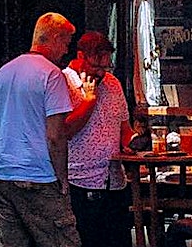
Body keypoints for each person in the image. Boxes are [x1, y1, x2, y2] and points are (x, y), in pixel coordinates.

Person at [0, 12, 79, 247]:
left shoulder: (4, 72)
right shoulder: (52, 75)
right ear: (55, 38)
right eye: (66, 43)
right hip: (38, 175)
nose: (66, 50)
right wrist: (62, 178)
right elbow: (55, 136)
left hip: (1, 175)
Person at [62, 31, 131, 247]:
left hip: (115, 181)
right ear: (80, 56)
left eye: (106, 67)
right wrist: (89, 101)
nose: (101, 73)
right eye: (96, 66)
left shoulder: (112, 83)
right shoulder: (63, 82)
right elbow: (66, 130)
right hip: (79, 181)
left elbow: (124, 129)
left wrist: (135, 142)